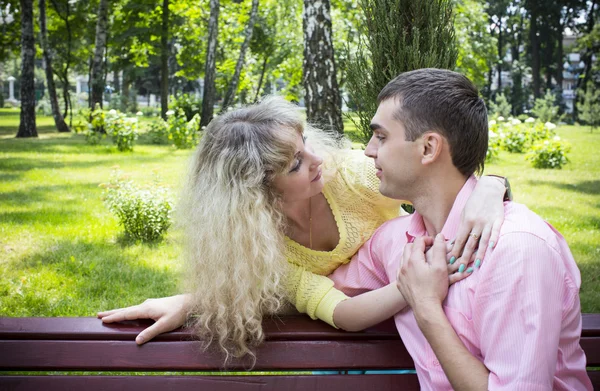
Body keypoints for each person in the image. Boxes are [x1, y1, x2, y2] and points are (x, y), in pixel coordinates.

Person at [98, 96, 507, 360]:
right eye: (295, 163)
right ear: (257, 195)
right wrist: (409, 286)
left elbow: (438, 183)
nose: (317, 160)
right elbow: (343, 313)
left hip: (434, 316)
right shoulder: (267, 248)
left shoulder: (348, 178)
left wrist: (492, 187)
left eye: (305, 143)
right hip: (386, 328)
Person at [328, 68, 592, 390]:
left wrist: (425, 307)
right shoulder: (396, 241)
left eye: (381, 136)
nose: (369, 150)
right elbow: (326, 291)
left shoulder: (517, 251)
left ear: (428, 148)